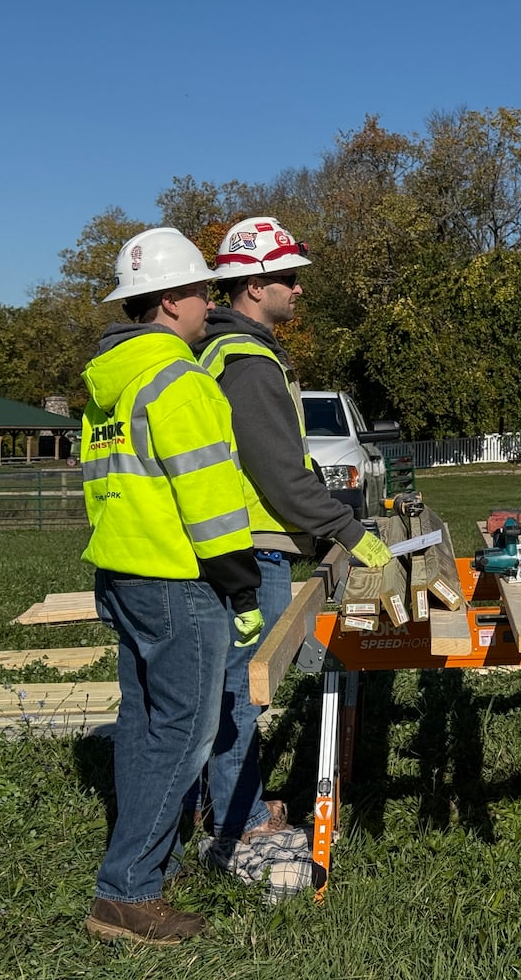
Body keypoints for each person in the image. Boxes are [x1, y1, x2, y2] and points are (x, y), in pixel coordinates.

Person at [80, 228, 262, 944]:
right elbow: (210, 497)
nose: (210, 306)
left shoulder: (110, 381)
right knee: (186, 733)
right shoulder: (182, 380)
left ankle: (146, 864)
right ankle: (126, 891)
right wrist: (242, 588)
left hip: (122, 573)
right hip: (178, 579)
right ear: (177, 298)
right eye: (205, 292)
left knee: (144, 724)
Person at [192, 216, 394, 846]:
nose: (298, 289)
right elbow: (278, 475)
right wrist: (346, 529)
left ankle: (223, 805)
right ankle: (239, 823)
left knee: (228, 685)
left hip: (242, 542)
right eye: (287, 277)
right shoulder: (247, 361)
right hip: (254, 548)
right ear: (253, 286)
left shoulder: (229, 351)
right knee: (242, 690)